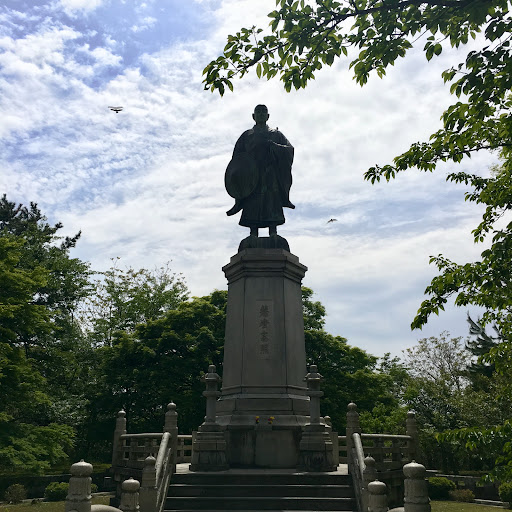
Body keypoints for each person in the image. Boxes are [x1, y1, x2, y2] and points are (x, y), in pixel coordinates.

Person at [225, 105, 295, 237]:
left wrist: (274, 147)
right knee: (252, 201)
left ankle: (273, 232)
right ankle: (253, 233)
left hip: (270, 173)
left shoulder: (276, 134)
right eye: (258, 112)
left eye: (264, 112)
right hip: (251, 175)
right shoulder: (246, 136)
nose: (261, 114)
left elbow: (289, 150)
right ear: (253, 116)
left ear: (268, 116)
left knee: (272, 200)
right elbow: (237, 159)